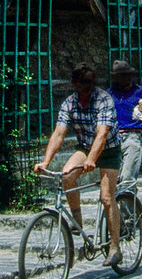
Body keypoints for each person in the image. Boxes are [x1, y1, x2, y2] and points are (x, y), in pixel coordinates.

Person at [34, 63, 123, 266]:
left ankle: (115, 247)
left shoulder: (103, 99)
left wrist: (93, 159)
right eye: (83, 83)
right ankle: (77, 221)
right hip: (85, 146)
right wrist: (46, 161)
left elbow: (102, 134)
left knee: (107, 198)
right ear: (74, 83)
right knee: (67, 175)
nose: (87, 86)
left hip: (108, 150)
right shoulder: (70, 103)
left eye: (90, 82)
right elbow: (59, 133)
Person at [108, 59, 142, 184]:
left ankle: (128, 201)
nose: (124, 78)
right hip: (113, 138)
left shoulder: (141, 91)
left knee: (127, 179)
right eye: (120, 76)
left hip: (132, 137)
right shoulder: (110, 94)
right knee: (114, 180)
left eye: (126, 75)